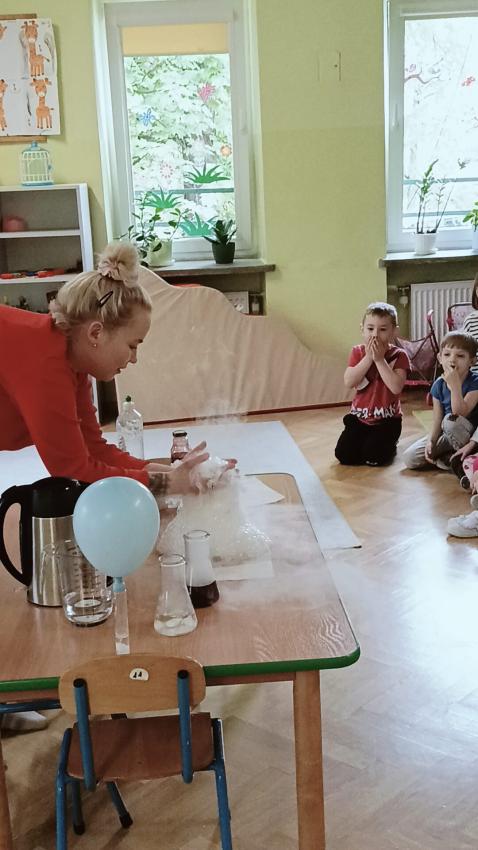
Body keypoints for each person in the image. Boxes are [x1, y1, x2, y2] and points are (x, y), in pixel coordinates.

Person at [0, 242, 230, 731]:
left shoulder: (70, 361)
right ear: (97, 333)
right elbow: (73, 466)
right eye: (133, 345)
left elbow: (96, 449)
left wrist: (159, 469)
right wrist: (164, 481)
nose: (134, 359)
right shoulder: (44, 362)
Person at [335, 302, 410, 466]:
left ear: (393, 331)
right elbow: (349, 381)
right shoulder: (357, 352)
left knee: (374, 457)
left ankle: (388, 443)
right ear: (362, 329)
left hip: (387, 421)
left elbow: (396, 387)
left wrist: (379, 359)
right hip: (359, 418)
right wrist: (369, 357)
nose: (375, 335)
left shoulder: (399, 355)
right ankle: (366, 441)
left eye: (382, 329)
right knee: (345, 455)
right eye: (370, 329)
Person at [403, 332, 478, 472]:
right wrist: (431, 441)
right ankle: (449, 457)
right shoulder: (438, 384)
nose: (452, 360)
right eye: (447, 354)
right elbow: (437, 420)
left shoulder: (475, 382)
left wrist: (455, 386)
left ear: (472, 361)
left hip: (468, 434)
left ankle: (459, 458)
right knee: (410, 458)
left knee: (450, 421)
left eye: (460, 356)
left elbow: (459, 413)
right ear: (440, 358)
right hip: (446, 434)